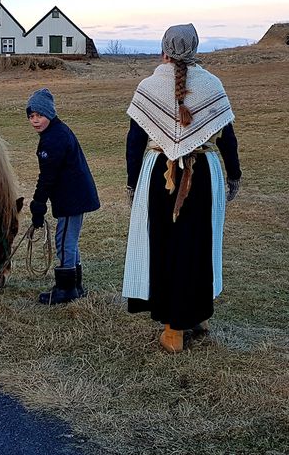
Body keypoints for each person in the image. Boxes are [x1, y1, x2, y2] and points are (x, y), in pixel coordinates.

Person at [122, 23, 241, 353]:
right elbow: (227, 138)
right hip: (202, 175)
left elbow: (135, 141)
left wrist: (133, 184)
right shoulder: (211, 84)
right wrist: (234, 176)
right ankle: (196, 317)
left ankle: (174, 329)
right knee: (199, 246)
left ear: (164, 48)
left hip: (159, 176)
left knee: (164, 247)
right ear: (195, 48)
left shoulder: (149, 85)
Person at [27, 88, 100, 305]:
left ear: (49, 113)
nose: (35, 121)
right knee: (70, 239)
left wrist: (38, 204)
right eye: (31, 116)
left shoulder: (54, 139)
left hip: (72, 198)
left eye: (39, 115)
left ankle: (66, 288)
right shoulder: (55, 132)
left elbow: (47, 176)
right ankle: (74, 285)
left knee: (65, 240)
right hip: (74, 195)